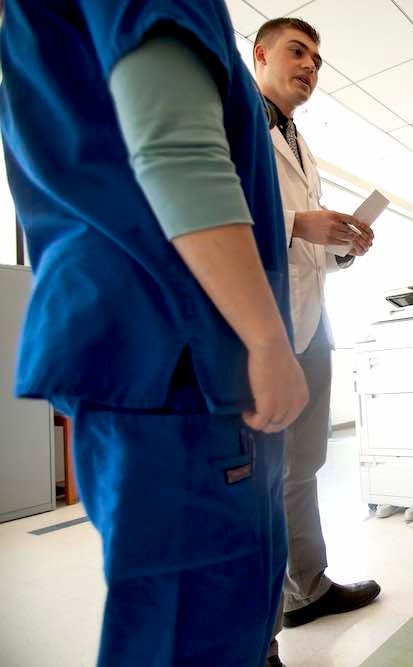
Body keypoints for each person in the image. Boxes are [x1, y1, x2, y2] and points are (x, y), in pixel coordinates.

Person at [0, 1, 308, 665]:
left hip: (151, 344)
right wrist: (263, 337)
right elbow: (174, 148)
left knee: (208, 618)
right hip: (184, 346)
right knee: (197, 630)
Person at [251, 16, 381, 663]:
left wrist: (344, 247)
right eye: (298, 52)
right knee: (257, 484)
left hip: (311, 326)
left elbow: (309, 249)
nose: (311, 65)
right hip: (259, 330)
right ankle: (259, 633)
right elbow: (221, 222)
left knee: (303, 471)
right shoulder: (233, 121)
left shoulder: (304, 146)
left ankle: (309, 586)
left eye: (318, 59)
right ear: (262, 54)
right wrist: (300, 221)